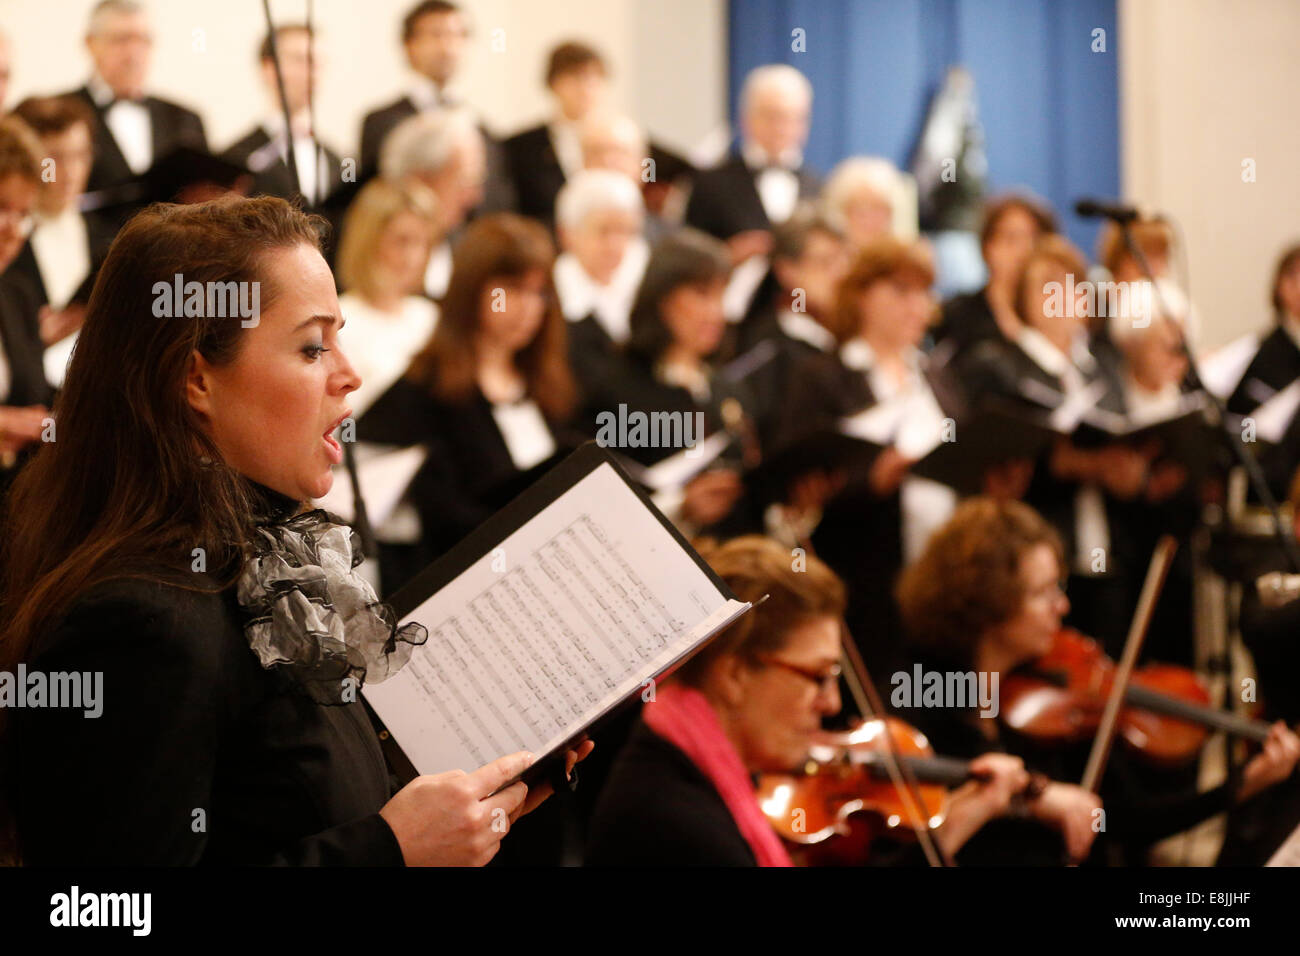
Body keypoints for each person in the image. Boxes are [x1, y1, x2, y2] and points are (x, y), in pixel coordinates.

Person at [0, 195, 589, 865]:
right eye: (312, 347)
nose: (349, 375)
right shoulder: (141, 618)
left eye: (339, 338)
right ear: (196, 377)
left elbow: (289, 801)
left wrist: (473, 787)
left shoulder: (268, 566)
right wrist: (392, 851)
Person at [895, 497, 1300, 866]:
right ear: (988, 605)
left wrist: (1240, 785)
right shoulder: (923, 699)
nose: (1063, 606)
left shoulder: (1062, 708)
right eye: (1043, 593)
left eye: (1060, 587)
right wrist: (1036, 797)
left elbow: (1122, 820)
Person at [585, 535, 1031, 866]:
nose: (832, 703)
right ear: (735, 674)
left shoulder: (677, 767)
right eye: (817, 676)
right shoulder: (678, 824)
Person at [357, 213, 580, 593]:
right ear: (471, 289)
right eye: (511, 289)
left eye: (539, 293)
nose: (528, 308)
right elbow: (439, 521)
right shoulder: (425, 390)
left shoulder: (547, 386)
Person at [958, 235, 1141, 650]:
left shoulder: (1103, 368)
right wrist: (1065, 463)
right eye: (1047, 286)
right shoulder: (1003, 366)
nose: (1062, 297)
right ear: (1024, 299)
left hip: (1109, 548)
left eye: (1072, 285)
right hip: (1039, 548)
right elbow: (997, 455)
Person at [582, 229, 758, 538]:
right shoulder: (614, 388)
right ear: (662, 297)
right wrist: (681, 508)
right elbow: (595, 506)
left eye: (722, 295)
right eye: (702, 294)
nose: (717, 313)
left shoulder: (728, 390)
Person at [358, 0, 513, 212]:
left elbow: (495, 199)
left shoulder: (482, 129)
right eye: (436, 35)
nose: (447, 47)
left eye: (458, 35)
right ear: (409, 45)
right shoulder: (382, 123)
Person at [7, 95, 115, 388]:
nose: (71, 172)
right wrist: (30, 341)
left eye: (81, 155)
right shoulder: (7, 239)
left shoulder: (109, 237)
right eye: (55, 158)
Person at [62, 0, 208, 212]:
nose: (133, 53)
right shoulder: (61, 113)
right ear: (90, 43)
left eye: (143, 40)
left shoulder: (185, 117)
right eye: (121, 40)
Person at [685, 64, 820, 253]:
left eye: (791, 117)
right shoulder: (710, 185)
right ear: (746, 118)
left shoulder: (820, 189)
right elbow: (688, 260)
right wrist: (729, 255)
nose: (781, 127)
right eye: (771, 115)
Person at [335, 178, 441, 418]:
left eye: (423, 243)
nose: (413, 257)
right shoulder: (340, 321)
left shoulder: (430, 317)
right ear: (369, 240)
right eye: (402, 241)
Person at [222, 25, 343, 211]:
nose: (313, 73)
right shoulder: (235, 158)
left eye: (319, 63)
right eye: (300, 60)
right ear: (268, 68)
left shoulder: (337, 160)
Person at [552, 168, 648, 400]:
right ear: (567, 234)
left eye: (625, 231)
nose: (615, 244)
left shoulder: (645, 283)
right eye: (603, 231)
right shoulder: (552, 294)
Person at [931, 193, 1057, 366]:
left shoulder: (1058, 313)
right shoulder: (957, 316)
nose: (1024, 251)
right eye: (1011, 239)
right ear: (988, 247)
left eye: (1035, 240)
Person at [0, 117, 55, 497]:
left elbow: (38, 399)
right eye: (2, 207)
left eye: (24, 214)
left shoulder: (16, 294)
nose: (13, 230)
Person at [379, 107, 486, 300]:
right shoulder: (377, 250)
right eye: (464, 182)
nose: (474, 197)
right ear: (421, 179)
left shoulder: (464, 248)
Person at [503, 41, 610, 228]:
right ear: (553, 83)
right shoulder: (520, 147)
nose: (586, 88)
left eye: (595, 78)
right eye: (576, 77)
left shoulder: (619, 143)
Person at [819, 156, 914, 251]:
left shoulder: (902, 260)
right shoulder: (829, 262)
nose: (871, 221)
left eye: (879, 211)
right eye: (861, 211)